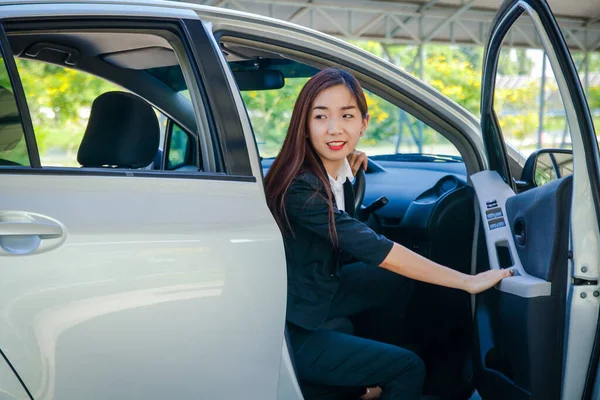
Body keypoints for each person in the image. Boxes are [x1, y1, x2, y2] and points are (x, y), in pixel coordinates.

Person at [264, 68, 512, 400]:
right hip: (289, 328)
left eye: (347, 116)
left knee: (389, 280)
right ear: (304, 126)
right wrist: (467, 281)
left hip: (307, 293)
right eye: (320, 116)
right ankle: (372, 373)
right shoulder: (301, 188)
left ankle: (372, 355)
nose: (335, 128)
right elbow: (375, 248)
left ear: (363, 124)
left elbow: (341, 236)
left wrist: (344, 168)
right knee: (408, 368)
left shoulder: (329, 173)